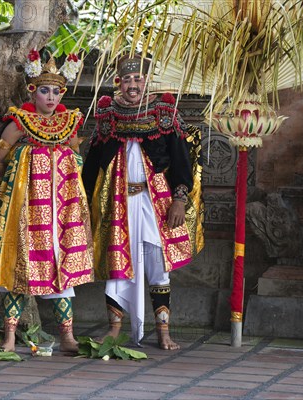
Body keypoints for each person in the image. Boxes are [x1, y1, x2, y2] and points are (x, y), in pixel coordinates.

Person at [82, 54, 204, 350]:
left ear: (146, 82)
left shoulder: (163, 114)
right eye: (127, 80)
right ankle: (114, 329)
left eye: (138, 79)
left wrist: (179, 200)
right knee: (116, 263)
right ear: (118, 83)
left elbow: (180, 161)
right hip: (117, 203)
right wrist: (83, 205)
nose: (133, 85)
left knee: (157, 263)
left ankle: (163, 332)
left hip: (155, 203)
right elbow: (92, 166)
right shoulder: (108, 118)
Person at [0, 50, 94, 353]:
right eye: (44, 90)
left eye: (56, 91)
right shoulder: (20, 123)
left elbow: (76, 161)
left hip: (60, 212)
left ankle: (67, 337)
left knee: (62, 273)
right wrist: (18, 184)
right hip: (27, 212)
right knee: (22, 272)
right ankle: (8, 338)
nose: (51, 96)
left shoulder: (69, 123)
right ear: (33, 91)